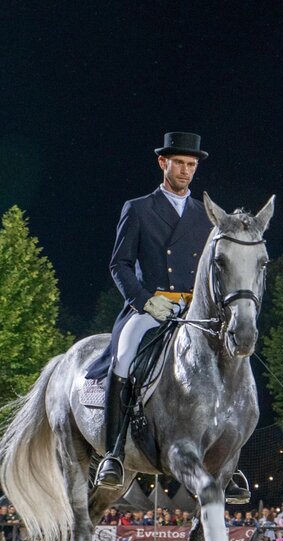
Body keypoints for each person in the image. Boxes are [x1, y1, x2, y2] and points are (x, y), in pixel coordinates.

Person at [89, 132, 249, 504]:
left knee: (234, 359)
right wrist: (145, 301)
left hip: (195, 312)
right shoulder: (138, 208)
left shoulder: (206, 215)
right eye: (179, 163)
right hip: (152, 307)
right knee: (124, 356)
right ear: (163, 163)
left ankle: (229, 459)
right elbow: (119, 265)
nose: (186, 170)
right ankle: (113, 453)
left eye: (191, 165)